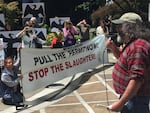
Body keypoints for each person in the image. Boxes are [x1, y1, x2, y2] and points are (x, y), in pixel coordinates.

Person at [106, 12, 150, 113]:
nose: (118, 29)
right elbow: (124, 61)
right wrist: (113, 48)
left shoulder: (138, 47)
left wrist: (120, 103)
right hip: (132, 98)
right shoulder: (134, 42)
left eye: (120, 26)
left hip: (135, 100)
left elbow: (136, 79)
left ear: (130, 28)